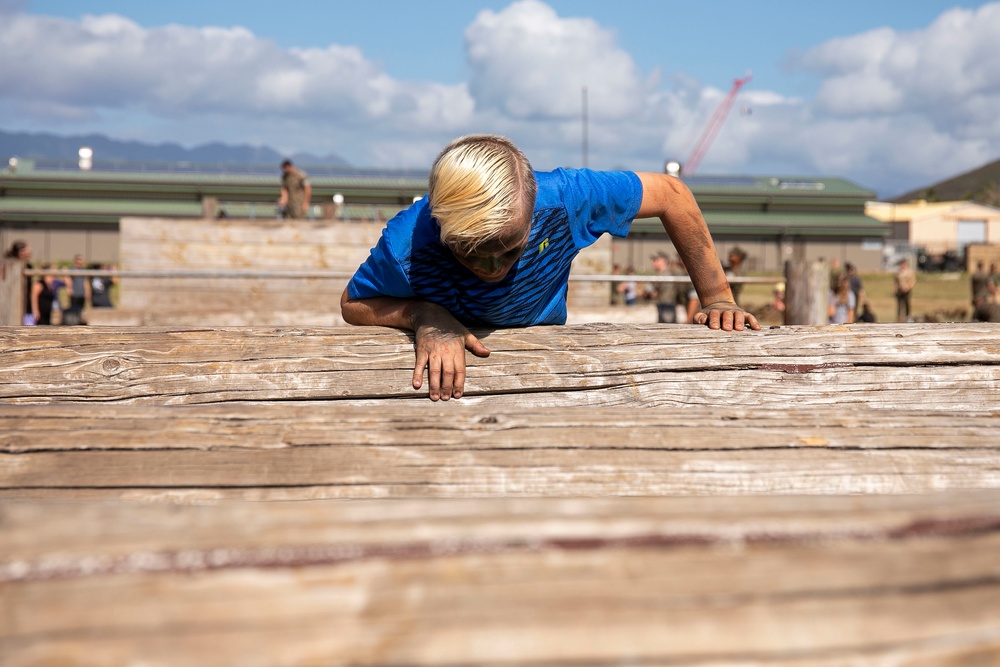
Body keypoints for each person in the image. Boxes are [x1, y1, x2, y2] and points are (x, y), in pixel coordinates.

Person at [341, 134, 760, 401]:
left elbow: (671, 193)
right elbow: (353, 303)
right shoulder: (408, 240)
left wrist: (718, 296)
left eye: (509, 250)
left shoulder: (564, 198)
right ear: (440, 222)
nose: (492, 267)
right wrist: (424, 315)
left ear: (532, 210)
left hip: (544, 361)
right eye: (469, 251)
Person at [5, 240, 34, 324]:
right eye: (27, 250)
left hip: (26, 302)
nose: (30, 252)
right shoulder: (10, 265)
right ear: (20, 252)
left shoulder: (29, 266)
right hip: (12, 301)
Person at [648, 251, 679, 323]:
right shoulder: (661, 274)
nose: (653, 262)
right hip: (663, 305)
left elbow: (654, 292)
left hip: (667, 305)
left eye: (656, 260)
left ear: (664, 261)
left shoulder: (666, 275)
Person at [66, 253, 91, 322]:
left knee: (81, 309)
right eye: (79, 260)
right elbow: (68, 279)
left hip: (81, 293)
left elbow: (85, 281)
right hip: (74, 293)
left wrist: (87, 291)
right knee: (73, 309)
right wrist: (69, 289)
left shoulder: (84, 270)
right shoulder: (72, 269)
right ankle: (73, 321)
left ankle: (79, 321)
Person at [893, 258, 916, 322]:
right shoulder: (898, 272)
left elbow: (912, 281)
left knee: (907, 304)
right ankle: (899, 318)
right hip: (900, 291)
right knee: (899, 305)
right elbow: (895, 282)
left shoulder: (909, 272)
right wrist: (895, 289)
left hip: (907, 290)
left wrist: (908, 287)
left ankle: (908, 317)